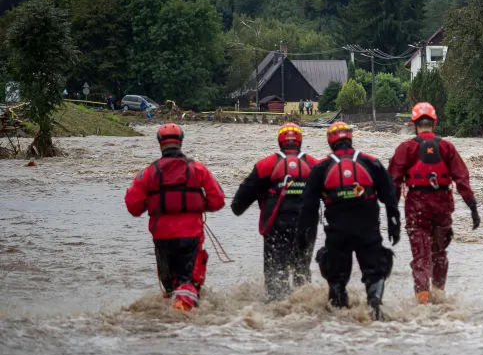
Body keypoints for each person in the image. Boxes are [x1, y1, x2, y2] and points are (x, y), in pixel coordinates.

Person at [297, 121, 399, 320]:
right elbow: (390, 196)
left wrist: (303, 236)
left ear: (330, 141)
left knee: (336, 278)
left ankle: (339, 321)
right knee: (376, 273)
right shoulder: (371, 162)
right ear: (350, 139)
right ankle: (375, 309)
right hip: (368, 231)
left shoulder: (321, 168)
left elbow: (307, 207)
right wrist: (394, 223)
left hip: (338, 234)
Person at [124, 123, 225, 311]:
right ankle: (185, 317)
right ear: (180, 142)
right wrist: (197, 205)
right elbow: (218, 200)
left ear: (160, 144)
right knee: (188, 283)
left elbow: (133, 206)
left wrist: (154, 203)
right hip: (191, 236)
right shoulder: (198, 169)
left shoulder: (147, 173)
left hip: (162, 238)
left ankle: (171, 319)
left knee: (170, 287)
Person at [388, 102, 479, 304]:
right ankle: (439, 298)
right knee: (439, 254)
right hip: (442, 206)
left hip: (416, 206)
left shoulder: (406, 148)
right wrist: (473, 207)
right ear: (434, 123)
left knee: (421, 256)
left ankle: (422, 305)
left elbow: (392, 182)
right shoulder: (447, 147)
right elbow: (462, 178)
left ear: (414, 124)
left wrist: (391, 214)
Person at [231, 123, 320, 301]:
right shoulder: (315, 165)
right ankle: (305, 307)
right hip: (306, 228)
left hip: (276, 227)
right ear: (300, 141)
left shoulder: (266, 165)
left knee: (275, 272)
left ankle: (277, 308)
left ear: (280, 142)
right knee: (301, 269)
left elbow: (238, 205)